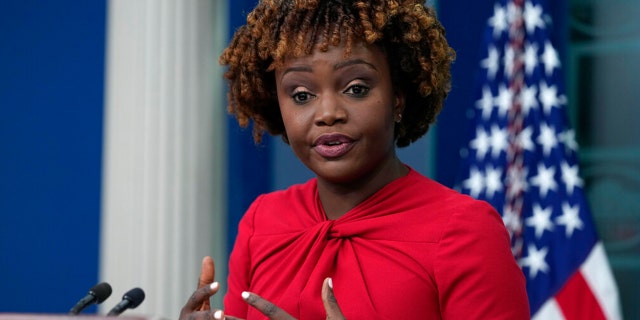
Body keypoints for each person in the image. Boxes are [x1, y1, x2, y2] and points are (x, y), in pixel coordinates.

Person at [180, 0, 530, 319]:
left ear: (399, 98)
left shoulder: (465, 231)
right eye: (301, 95)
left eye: (356, 88)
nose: (328, 113)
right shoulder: (262, 222)